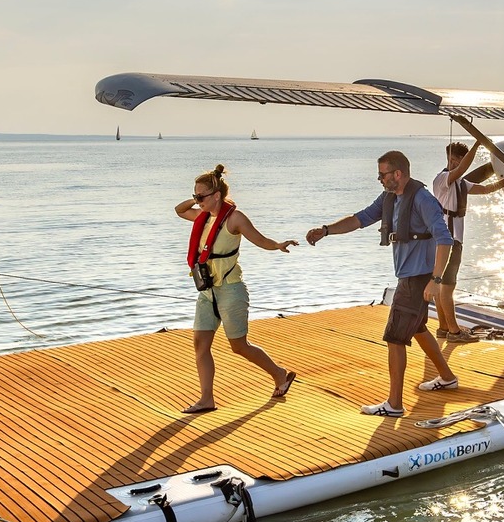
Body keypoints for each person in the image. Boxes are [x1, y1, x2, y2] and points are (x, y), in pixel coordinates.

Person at [306, 150, 458, 416]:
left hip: (418, 277)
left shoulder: (422, 199)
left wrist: (436, 279)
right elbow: (360, 218)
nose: (379, 178)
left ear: (397, 174)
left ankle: (395, 405)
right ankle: (446, 377)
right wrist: (326, 230)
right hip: (408, 276)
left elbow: (445, 240)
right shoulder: (390, 197)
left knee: (394, 338)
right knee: (418, 328)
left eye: (382, 174)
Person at [176, 163, 298, 413]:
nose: (197, 202)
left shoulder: (235, 219)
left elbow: (260, 239)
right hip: (207, 291)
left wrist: (278, 245)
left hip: (231, 290)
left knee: (239, 346)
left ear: (217, 195)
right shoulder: (202, 216)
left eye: (201, 196)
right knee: (200, 344)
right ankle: (206, 399)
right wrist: (199, 198)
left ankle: (279, 374)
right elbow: (179, 210)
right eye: (195, 196)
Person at [429, 141, 504, 342]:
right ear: (448, 158)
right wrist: (478, 144)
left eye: (458, 160)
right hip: (449, 239)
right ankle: (455, 332)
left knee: (442, 287)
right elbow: (463, 169)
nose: (455, 164)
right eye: (453, 160)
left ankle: (443, 327)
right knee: (447, 287)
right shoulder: (443, 179)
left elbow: (486, 189)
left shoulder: (460, 184)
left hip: (450, 239)